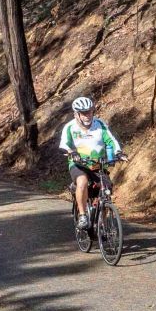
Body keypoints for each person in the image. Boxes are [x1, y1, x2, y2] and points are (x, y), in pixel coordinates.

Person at [58, 96, 127, 230]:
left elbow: (111, 140)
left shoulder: (100, 124)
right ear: (76, 114)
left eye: (89, 111)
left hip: (98, 164)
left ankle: (101, 222)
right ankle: (83, 215)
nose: (87, 115)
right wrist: (72, 152)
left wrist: (118, 152)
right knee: (82, 182)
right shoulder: (70, 127)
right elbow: (64, 144)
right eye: (83, 113)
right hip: (79, 164)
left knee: (106, 191)